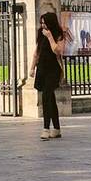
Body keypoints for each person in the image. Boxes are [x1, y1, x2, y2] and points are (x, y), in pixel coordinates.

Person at [29, 11, 67, 140]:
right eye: (41, 23)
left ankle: (46, 128)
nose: (43, 25)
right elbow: (37, 51)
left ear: (51, 23)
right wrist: (32, 67)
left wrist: (50, 37)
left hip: (53, 69)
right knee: (50, 98)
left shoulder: (59, 34)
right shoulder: (40, 33)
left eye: (45, 23)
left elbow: (58, 50)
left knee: (46, 96)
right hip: (42, 68)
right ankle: (56, 128)